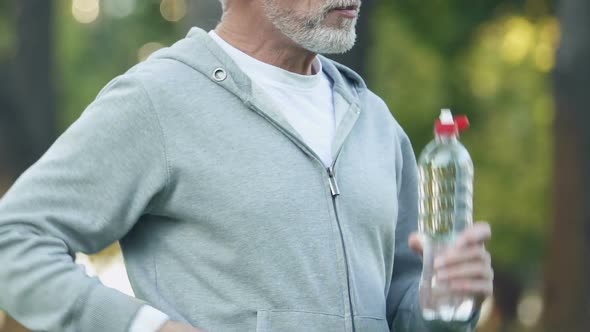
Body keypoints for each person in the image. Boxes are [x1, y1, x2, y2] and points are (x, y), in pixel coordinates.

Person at [0, 0, 493, 331]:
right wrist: (148, 328)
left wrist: (440, 302)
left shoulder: (377, 123)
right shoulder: (157, 100)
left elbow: (400, 304)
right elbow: (14, 240)